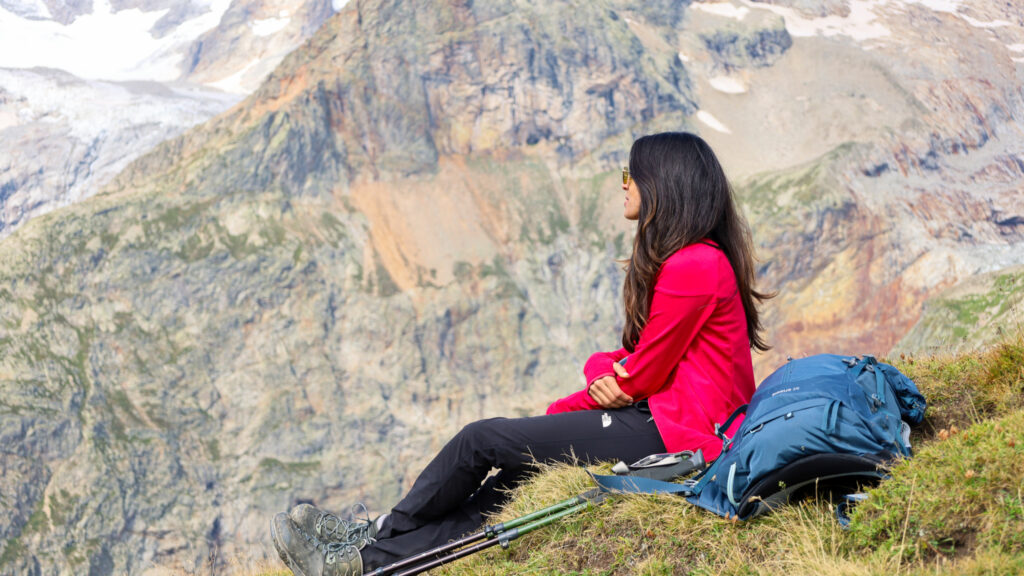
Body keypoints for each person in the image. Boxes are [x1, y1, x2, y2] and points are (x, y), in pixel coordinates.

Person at [270, 132, 773, 576]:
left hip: (676, 433)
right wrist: (605, 374)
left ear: (664, 182)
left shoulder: (694, 265)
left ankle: (372, 536)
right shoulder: (694, 260)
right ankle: (367, 563)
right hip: (663, 419)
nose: (623, 184)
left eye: (630, 173)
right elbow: (632, 363)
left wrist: (605, 381)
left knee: (480, 441)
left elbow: (637, 376)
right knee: (513, 475)